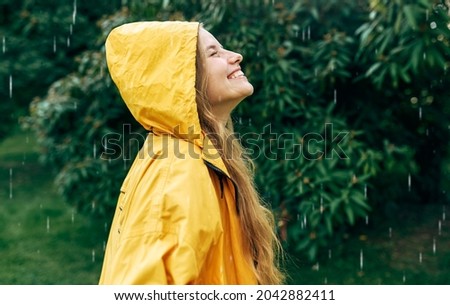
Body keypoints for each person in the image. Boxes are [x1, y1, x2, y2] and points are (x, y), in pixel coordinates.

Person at [99, 21, 284, 285]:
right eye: (213, 53)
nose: (235, 56)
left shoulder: (197, 153)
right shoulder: (178, 169)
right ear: (180, 78)